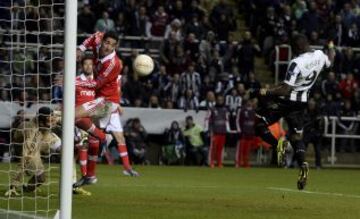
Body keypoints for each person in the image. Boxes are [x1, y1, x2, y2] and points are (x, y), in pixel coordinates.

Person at [251, 34, 334, 190]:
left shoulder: (296, 63)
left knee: (259, 123)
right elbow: (331, 60)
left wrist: (264, 92)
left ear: (297, 47)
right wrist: (331, 47)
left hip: (286, 101)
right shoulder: (320, 55)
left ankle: (278, 145)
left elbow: (285, 89)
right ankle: (303, 164)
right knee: (297, 136)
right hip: (301, 103)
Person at [77, 31, 139, 177]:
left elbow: (102, 85)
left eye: (112, 45)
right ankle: (89, 175)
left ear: (116, 47)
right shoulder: (99, 44)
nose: (107, 46)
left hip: (107, 102)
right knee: (89, 138)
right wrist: (80, 48)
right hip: (100, 99)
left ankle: (126, 167)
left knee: (115, 136)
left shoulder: (113, 65)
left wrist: (118, 104)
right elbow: (95, 36)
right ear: (103, 41)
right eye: (106, 42)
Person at [73, 56, 113, 186]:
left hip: (93, 116)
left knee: (91, 144)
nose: (88, 66)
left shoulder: (97, 82)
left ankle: (89, 175)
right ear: (82, 66)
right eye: (86, 64)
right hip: (80, 116)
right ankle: (86, 175)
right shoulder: (76, 80)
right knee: (83, 146)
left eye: (91, 64)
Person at [5, 107, 61, 196]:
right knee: (41, 178)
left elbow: (64, 114)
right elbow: (25, 156)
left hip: (43, 138)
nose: (52, 123)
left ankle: (28, 186)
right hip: (24, 146)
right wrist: (14, 185)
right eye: (49, 122)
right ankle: (22, 187)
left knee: (60, 145)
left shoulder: (52, 118)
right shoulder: (31, 131)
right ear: (41, 121)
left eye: (52, 119)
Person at [207, 95, 230, 168]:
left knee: (220, 149)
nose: (220, 101)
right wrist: (210, 130)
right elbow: (208, 120)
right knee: (213, 148)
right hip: (215, 132)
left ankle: (219, 163)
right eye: (219, 100)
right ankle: (211, 162)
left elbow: (227, 121)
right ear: (216, 100)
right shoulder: (212, 109)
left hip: (222, 132)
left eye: (221, 100)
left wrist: (228, 130)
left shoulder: (225, 109)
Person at [235, 99, 259, 168]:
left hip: (250, 133)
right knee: (241, 149)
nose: (250, 102)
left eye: (251, 101)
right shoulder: (241, 110)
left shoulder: (254, 111)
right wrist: (239, 130)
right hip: (243, 133)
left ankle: (246, 163)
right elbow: (237, 121)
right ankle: (238, 163)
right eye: (248, 101)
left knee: (247, 150)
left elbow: (255, 122)